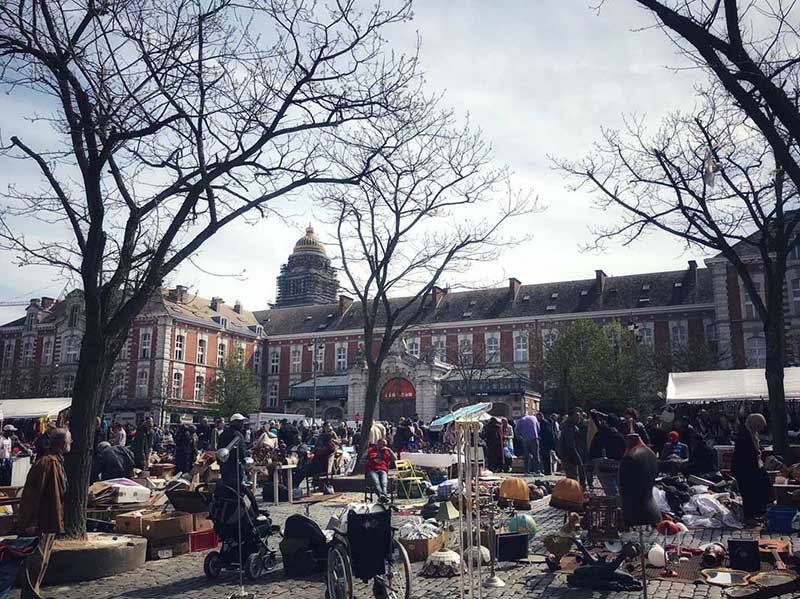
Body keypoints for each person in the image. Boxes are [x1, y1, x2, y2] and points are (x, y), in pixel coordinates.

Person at [17, 428, 70, 599]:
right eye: (70, 440)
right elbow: (32, 494)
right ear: (62, 444)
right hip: (40, 522)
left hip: (49, 520)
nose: (71, 443)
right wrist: (31, 522)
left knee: (42, 561)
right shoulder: (46, 463)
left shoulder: (56, 462)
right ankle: (30, 595)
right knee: (35, 561)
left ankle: (34, 593)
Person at [732, 413, 773, 524]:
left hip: (752, 467)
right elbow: (746, 453)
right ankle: (749, 517)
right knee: (748, 493)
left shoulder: (751, 433)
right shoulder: (744, 435)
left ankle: (756, 513)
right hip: (745, 469)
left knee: (758, 490)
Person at [588, 414, 626, 495]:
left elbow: (593, 448)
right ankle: (619, 502)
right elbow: (624, 451)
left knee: (609, 489)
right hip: (617, 464)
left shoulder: (600, 433)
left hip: (602, 464)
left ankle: (612, 501)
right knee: (620, 487)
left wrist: (591, 461)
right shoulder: (619, 436)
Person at [217, 414, 248, 486]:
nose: (242, 424)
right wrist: (244, 462)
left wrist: (220, 462)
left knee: (225, 485)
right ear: (235, 422)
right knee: (235, 488)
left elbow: (218, 448)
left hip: (224, 464)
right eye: (240, 422)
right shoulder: (238, 435)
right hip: (235, 466)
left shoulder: (223, 433)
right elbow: (241, 451)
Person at [558, 409, 586, 487]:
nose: (578, 419)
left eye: (579, 417)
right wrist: (579, 460)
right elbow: (571, 446)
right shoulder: (568, 429)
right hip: (570, 458)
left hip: (572, 458)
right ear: (570, 417)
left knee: (575, 480)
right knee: (573, 480)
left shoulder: (574, 427)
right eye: (576, 417)